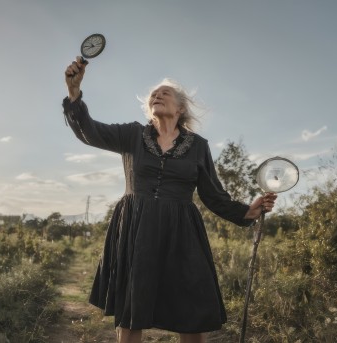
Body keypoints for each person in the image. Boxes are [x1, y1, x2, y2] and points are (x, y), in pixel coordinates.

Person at [62, 57, 277, 343]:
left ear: (181, 107)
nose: (157, 95)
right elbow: (90, 131)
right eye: (154, 93)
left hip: (181, 231)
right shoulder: (131, 135)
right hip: (136, 227)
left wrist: (246, 212)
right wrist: (74, 94)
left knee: (190, 309)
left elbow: (213, 194)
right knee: (131, 307)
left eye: (165, 92)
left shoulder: (198, 146)